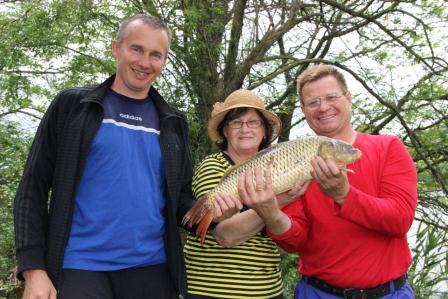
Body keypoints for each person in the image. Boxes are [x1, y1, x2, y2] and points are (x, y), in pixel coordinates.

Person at [14, 13, 238, 299]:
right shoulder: (73, 107)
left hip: (152, 268)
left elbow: (179, 200)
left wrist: (212, 212)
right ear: (116, 48)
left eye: (156, 54)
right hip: (79, 267)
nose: (145, 63)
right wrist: (33, 268)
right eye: (136, 49)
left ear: (164, 61)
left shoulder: (172, 122)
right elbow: (32, 187)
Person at [239, 64, 418, 298]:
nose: (323, 108)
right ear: (303, 109)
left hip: (389, 293)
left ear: (348, 98)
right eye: (313, 102)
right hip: (318, 292)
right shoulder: (295, 160)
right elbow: (295, 241)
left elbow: (400, 221)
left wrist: (344, 195)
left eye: (331, 97)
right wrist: (270, 213)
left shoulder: (388, 148)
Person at [183, 89, 307, 299]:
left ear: (265, 130)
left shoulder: (283, 168)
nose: (245, 129)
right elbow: (226, 236)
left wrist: (279, 205)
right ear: (224, 131)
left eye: (253, 122)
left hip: (267, 290)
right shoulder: (213, 166)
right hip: (211, 290)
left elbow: (286, 247)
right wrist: (275, 203)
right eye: (236, 123)